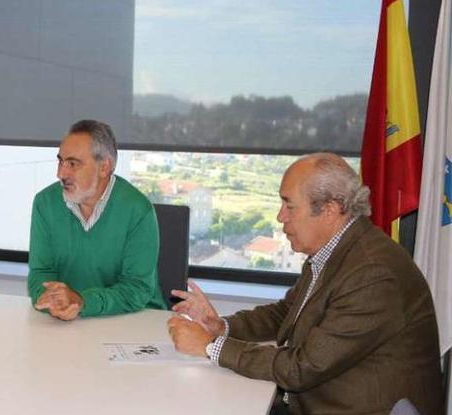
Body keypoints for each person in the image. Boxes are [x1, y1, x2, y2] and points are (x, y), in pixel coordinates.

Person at [167, 153, 442, 415]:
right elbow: (289, 313)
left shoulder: (372, 274)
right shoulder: (337, 251)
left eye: (289, 205)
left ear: (330, 210)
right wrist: (222, 327)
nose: (280, 217)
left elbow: (302, 368)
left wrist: (210, 346)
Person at [27, 119, 165, 321]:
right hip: (71, 324)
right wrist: (53, 302)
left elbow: (136, 289)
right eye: (60, 161)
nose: (61, 173)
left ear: (104, 167)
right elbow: (40, 273)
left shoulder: (138, 210)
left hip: (134, 320)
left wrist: (82, 302)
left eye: (73, 164)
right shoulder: (45, 203)